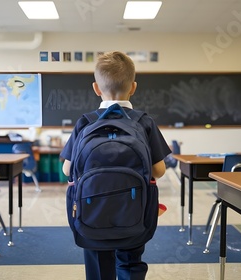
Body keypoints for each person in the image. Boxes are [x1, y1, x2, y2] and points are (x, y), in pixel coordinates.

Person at [60, 51, 172, 280]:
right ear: (133, 87)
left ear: (96, 88)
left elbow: (67, 170)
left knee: (99, 268)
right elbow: (159, 170)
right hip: (134, 212)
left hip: (91, 213)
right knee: (131, 264)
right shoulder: (144, 121)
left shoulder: (85, 121)